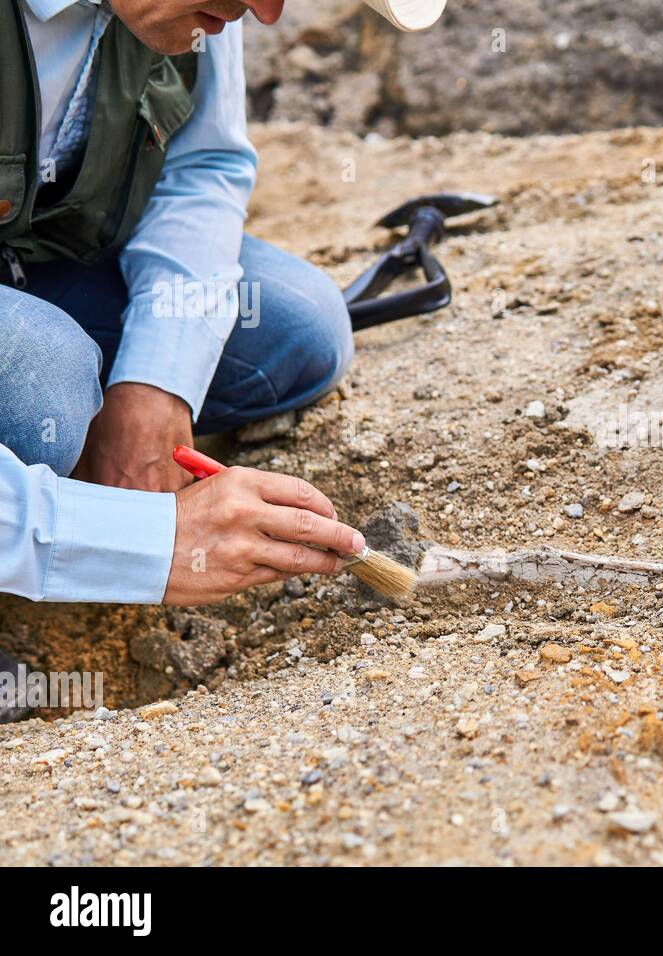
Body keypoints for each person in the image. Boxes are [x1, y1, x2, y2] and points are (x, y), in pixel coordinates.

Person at [0, 0, 443, 610]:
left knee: (298, 328)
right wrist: (148, 543)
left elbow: (202, 167)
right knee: (39, 383)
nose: (263, 14)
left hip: (43, 263)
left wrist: (155, 383)